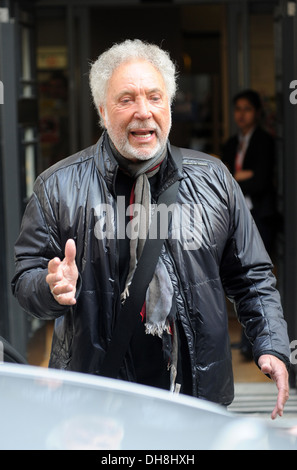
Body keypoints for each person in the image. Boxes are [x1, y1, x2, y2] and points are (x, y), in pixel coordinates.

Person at [12, 39, 290, 419]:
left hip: (196, 396)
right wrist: (49, 287)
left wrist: (271, 345)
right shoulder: (57, 187)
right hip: (95, 399)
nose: (143, 112)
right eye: (126, 99)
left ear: (169, 105)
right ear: (102, 110)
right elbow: (25, 277)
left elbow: (252, 276)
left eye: (154, 97)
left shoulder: (214, 180)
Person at [221, 90, 278, 360]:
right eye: (237, 109)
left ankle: (256, 344)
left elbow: (261, 181)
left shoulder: (265, 142)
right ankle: (244, 343)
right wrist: (240, 175)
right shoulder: (230, 144)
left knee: (256, 280)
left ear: (256, 112)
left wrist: (236, 177)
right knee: (237, 277)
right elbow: (224, 181)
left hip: (261, 218)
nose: (241, 114)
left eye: (247, 109)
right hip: (235, 217)